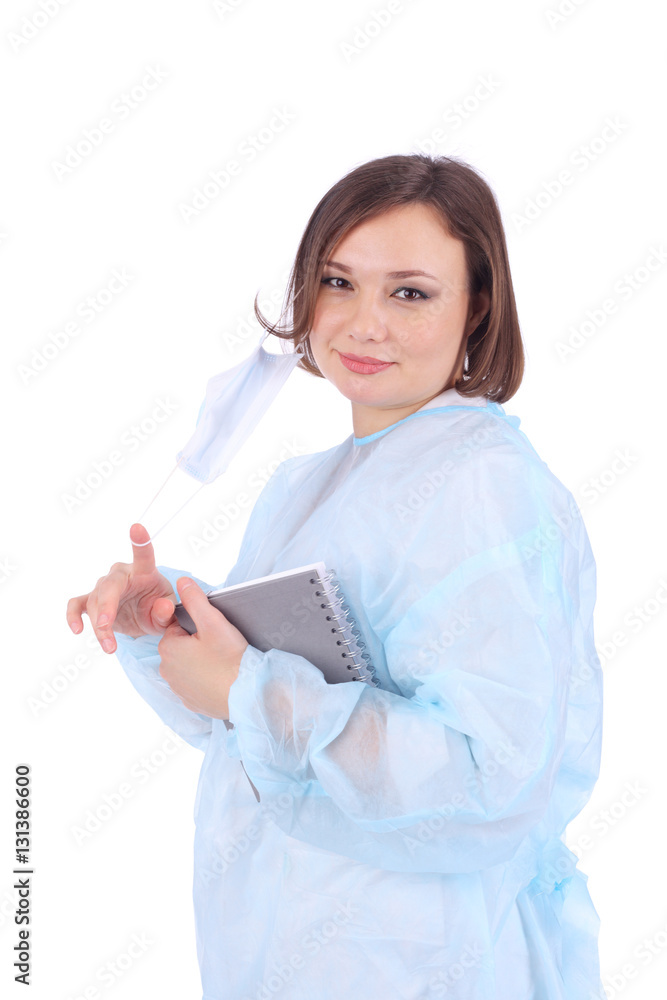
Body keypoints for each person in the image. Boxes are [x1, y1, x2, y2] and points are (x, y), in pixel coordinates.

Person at [66, 153, 605, 1000]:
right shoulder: (305, 486)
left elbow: (487, 779)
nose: (363, 324)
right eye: (337, 282)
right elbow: (252, 738)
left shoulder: (484, 486)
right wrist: (167, 623)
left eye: (410, 292)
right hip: (287, 950)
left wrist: (250, 690)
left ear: (478, 307)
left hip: (427, 964)